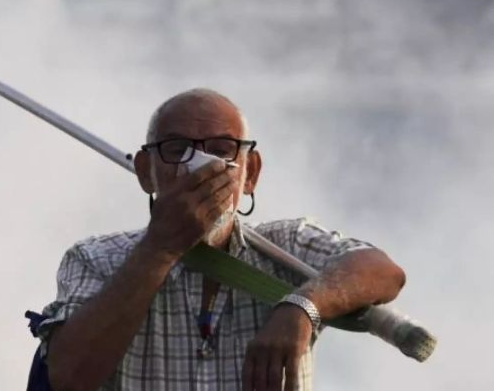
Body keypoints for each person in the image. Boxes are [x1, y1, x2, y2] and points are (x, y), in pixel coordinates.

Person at [33, 89, 406, 391]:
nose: (200, 167)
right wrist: (161, 248)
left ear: (250, 173)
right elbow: (68, 378)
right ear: (146, 173)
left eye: (222, 150)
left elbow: (382, 271)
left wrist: (302, 306)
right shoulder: (95, 259)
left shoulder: (287, 247)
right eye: (177, 149)